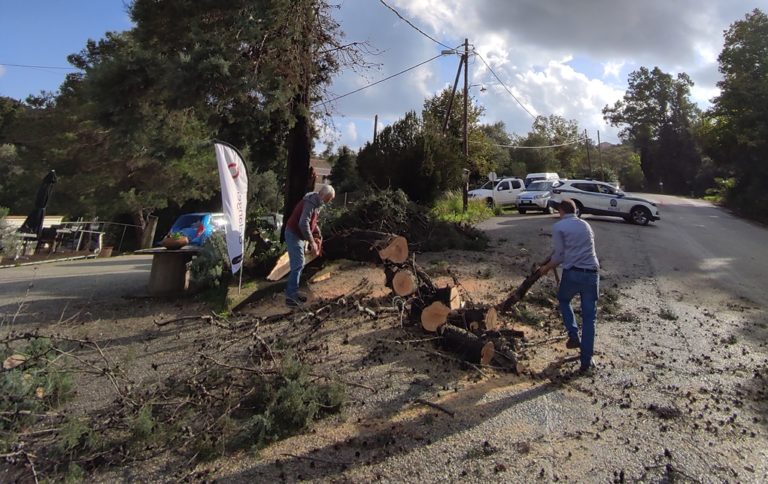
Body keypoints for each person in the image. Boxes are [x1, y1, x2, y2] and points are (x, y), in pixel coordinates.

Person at [537, 198, 600, 373]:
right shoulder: (586, 225)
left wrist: (545, 269)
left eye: (558, 210)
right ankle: (585, 362)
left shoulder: (559, 227)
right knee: (589, 318)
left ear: (561, 211)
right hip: (592, 273)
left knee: (564, 300)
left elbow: (559, 256)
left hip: (573, 273)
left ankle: (573, 335)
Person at [284, 184, 335, 307]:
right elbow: (303, 223)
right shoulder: (311, 202)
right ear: (322, 195)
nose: (327, 203)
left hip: (298, 236)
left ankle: (293, 292)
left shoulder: (316, 204)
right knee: (298, 264)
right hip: (293, 234)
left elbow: (313, 223)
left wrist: (318, 234)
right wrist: (312, 242)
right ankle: (290, 297)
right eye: (328, 200)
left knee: (299, 265)